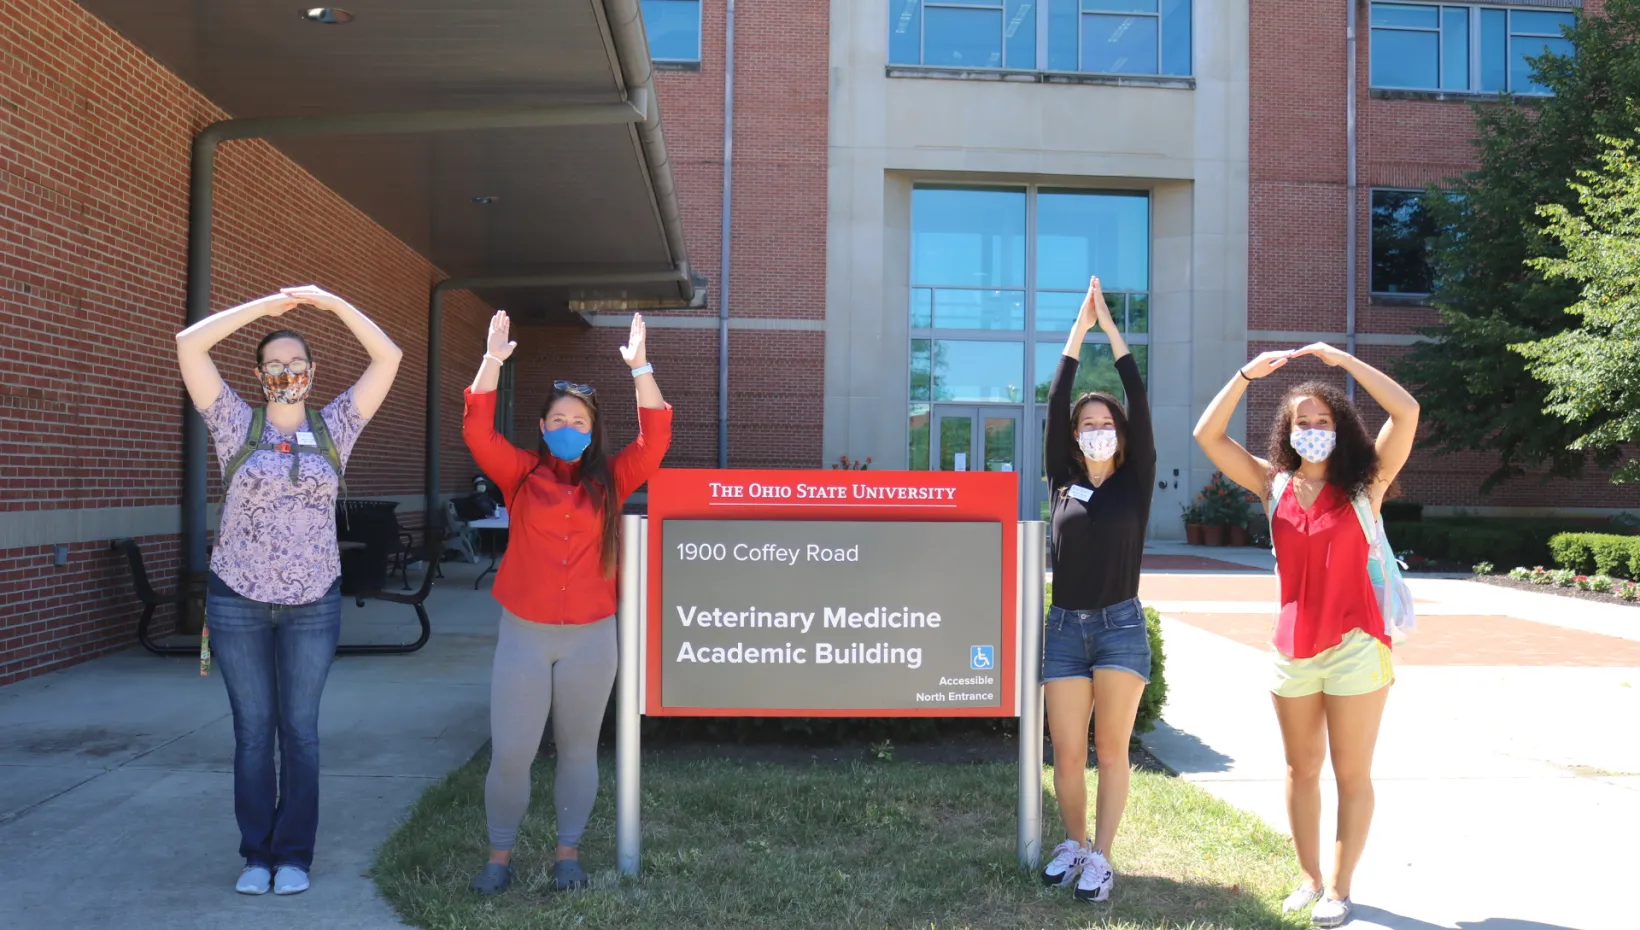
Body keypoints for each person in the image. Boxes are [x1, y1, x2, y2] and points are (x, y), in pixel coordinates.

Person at [175, 285, 402, 896]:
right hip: (236, 601)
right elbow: (188, 345)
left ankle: (294, 856)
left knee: (299, 731)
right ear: (257, 374)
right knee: (253, 732)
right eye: (274, 364)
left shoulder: (336, 428)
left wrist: (333, 304)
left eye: (296, 364)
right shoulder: (233, 423)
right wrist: (263, 311)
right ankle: (257, 855)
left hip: (313, 605)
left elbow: (389, 358)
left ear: (313, 373)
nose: (286, 372)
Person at [1191, 343, 1418, 929]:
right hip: (1291, 648)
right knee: (1300, 770)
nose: (1313, 430)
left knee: (1351, 773)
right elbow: (1207, 436)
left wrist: (1344, 363)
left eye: (1323, 421)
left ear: (1339, 429)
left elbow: (1408, 411)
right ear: (1287, 433)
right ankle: (1309, 879)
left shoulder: (1367, 484)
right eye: (1302, 423)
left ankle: (1340, 888)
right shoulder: (1274, 486)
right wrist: (1244, 375)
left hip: (1358, 644)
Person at [463, 309, 671, 895]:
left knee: (579, 751)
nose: (569, 428)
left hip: (591, 638)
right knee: (512, 753)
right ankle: (499, 857)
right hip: (525, 635)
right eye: (559, 419)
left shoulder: (612, 478)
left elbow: (656, 438)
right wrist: (492, 361)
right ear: (542, 424)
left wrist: (641, 368)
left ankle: (567, 854)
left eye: (579, 421)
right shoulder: (521, 475)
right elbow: (477, 430)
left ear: (592, 430)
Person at [1037, 277, 1156, 903]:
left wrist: (1112, 333)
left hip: (1118, 627)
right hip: (1063, 628)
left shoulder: (1136, 481)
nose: (1095, 429)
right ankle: (1075, 843)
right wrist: (1075, 337)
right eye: (1087, 423)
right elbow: (1055, 403)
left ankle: (1103, 857)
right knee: (1066, 752)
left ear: (1120, 432)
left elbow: (1138, 396)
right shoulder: (1061, 478)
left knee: (1111, 749)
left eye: (1105, 422)